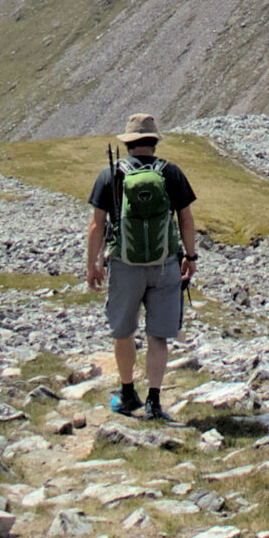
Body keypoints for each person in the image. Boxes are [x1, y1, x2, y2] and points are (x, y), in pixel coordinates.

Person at [85, 113, 199, 421]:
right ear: (153, 141)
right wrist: (190, 257)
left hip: (124, 264)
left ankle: (126, 393)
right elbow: (186, 220)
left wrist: (93, 265)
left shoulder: (111, 175)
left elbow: (97, 227)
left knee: (123, 330)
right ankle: (154, 401)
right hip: (166, 264)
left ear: (129, 143)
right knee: (157, 335)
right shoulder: (171, 173)